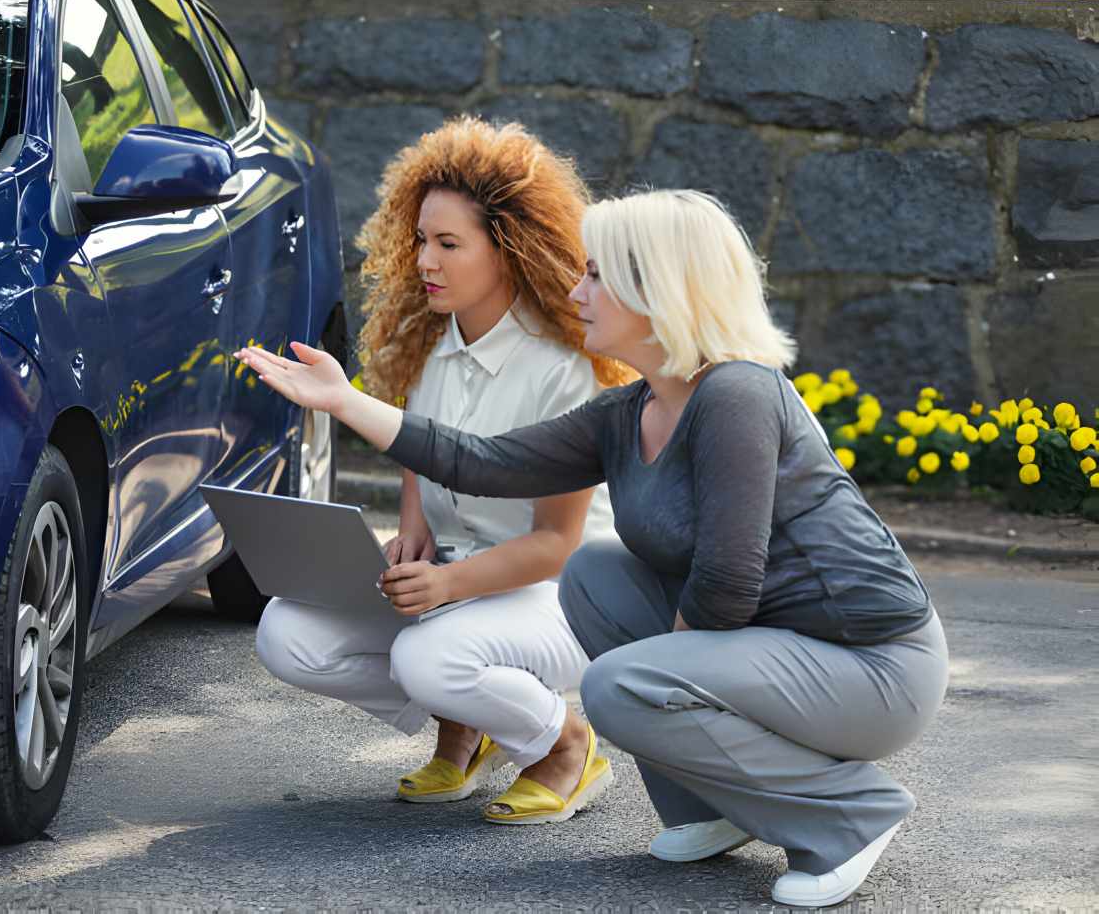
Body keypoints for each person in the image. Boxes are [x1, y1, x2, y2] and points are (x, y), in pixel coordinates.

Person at [238, 188, 950, 907]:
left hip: (870, 667)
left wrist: (662, 685)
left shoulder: (737, 395)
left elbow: (728, 581)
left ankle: (852, 815)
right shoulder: (632, 410)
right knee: (597, 576)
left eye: (597, 275)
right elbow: (482, 462)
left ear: (657, 289)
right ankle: (714, 806)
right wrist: (344, 400)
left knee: (619, 686)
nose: (577, 291)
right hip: (779, 649)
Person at [247, 117, 633, 824]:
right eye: (421, 239)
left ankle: (564, 745)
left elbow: (558, 544)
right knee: (287, 631)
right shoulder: (430, 344)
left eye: (448, 244)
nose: (425, 259)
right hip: (462, 586)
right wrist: (413, 532)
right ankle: (467, 723)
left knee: (429, 655)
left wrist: (447, 584)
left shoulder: (565, 369)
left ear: (508, 248)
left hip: (563, 596)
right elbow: (422, 452)